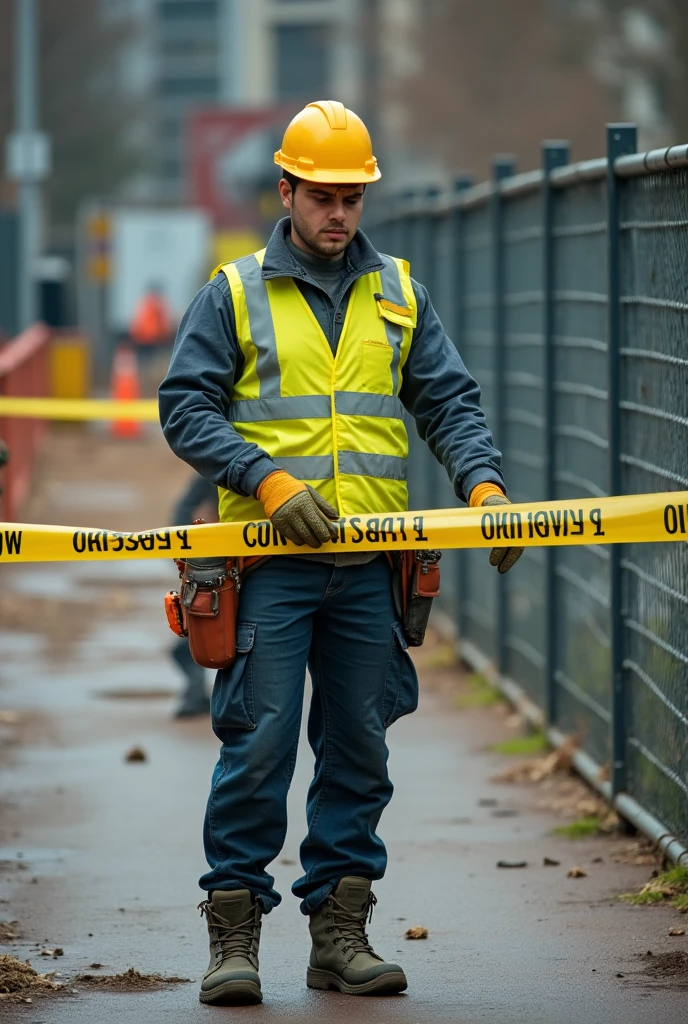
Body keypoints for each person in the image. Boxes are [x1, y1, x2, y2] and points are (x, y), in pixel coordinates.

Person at [159, 100, 523, 1006]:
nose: (340, 213)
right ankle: (234, 937)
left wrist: (484, 489)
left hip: (368, 572)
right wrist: (267, 480)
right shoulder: (234, 292)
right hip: (266, 567)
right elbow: (184, 407)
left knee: (360, 749)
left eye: (353, 197)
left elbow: (449, 402)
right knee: (260, 746)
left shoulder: (398, 291)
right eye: (323, 195)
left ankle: (340, 932)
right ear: (285, 191)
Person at [169, 471, 218, 718]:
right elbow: (185, 507)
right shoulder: (224, 459)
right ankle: (195, 693)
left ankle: (197, 693)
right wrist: (184, 554)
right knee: (199, 627)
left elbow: (185, 505)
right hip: (221, 557)